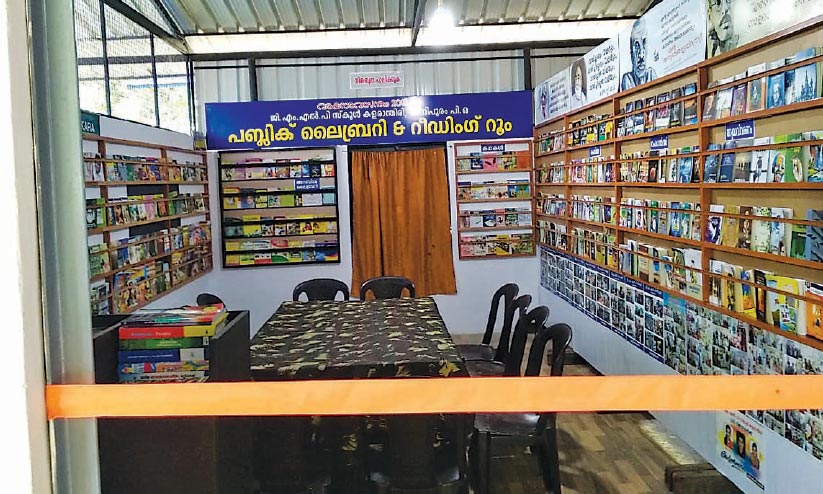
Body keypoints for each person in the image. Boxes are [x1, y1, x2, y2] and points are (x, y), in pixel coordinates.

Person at [620, 18, 657, 90]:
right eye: (636, 45)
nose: (641, 55)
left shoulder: (651, 74)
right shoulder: (627, 80)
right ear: (631, 53)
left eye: (644, 43)